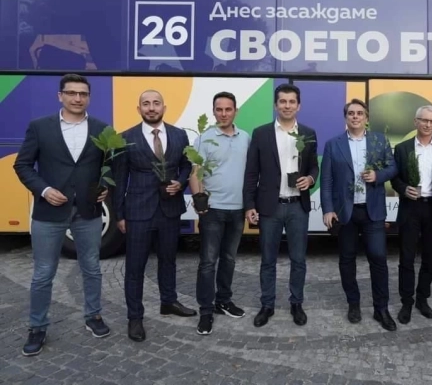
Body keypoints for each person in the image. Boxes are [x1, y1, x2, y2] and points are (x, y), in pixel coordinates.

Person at [14, 74, 111, 356]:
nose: (77, 98)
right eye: (71, 93)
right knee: (43, 273)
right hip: (48, 212)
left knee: (91, 268)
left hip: (88, 212)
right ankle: (37, 327)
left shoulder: (102, 130)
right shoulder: (40, 127)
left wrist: (105, 186)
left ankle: (93, 315)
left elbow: (111, 166)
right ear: (60, 96)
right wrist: (44, 190)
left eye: (83, 94)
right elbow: (22, 165)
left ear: (89, 97)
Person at [113, 89, 196, 343]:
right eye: (146, 104)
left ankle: (168, 302)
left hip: (170, 210)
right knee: (135, 267)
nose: (151, 108)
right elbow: (119, 179)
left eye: (156, 103)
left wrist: (181, 182)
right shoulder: (125, 138)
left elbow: (186, 165)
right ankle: (135, 317)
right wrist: (119, 215)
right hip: (138, 212)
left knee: (168, 260)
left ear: (164, 107)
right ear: (139, 109)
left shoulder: (179, 135)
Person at [243, 84, 318, 328]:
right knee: (268, 260)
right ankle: (267, 305)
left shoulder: (308, 133)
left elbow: (313, 166)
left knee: (298, 259)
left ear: (299, 105)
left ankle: (296, 303)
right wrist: (249, 205)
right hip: (269, 207)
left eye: (291, 101)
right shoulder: (261, 133)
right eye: (283, 101)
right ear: (276, 105)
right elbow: (251, 172)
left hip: (297, 206)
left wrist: (310, 179)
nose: (287, 105)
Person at [321, 99, 398, 331]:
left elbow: (393, 168)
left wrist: (378, 176)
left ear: (366, 117)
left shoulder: (379, 140)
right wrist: (328, 209)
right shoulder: (333, 144)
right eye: (351, 113)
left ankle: (381, 308)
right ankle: (353, 304)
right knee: (347, 259)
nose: (355, 117)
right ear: (346, 117)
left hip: (372, 210)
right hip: (345, 213)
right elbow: (327, 181)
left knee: (378, 258)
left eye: (359, 113)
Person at [191, 92, 250, 335]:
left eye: (228, 109)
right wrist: (199, 202)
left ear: (236, 111)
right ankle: (206, 311)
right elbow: (196, 173)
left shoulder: (245, 138)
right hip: (213, 210)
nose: (223, 113)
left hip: (238, 210)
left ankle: (223, 301)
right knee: (208, 262)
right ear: (214, 111)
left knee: (229, 259)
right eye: (219, 109)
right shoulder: (204, 139)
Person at [390, 105, 432, 324]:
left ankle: (422, 298)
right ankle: (406, 302)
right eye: (424, 120)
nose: (428, 125)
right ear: (415, 121)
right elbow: (394, 178)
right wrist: (403, 188)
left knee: (430, 258)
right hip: (410, 208)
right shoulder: (402, 148)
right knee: (406, 258)